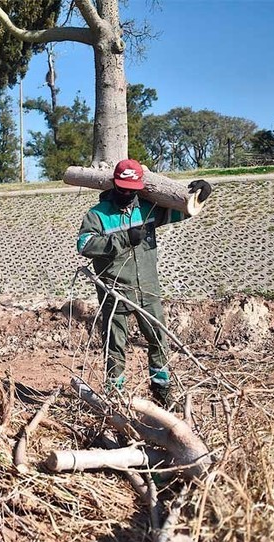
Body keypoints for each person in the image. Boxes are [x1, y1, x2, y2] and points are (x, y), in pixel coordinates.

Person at [75, 159, 212, 408]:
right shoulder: (98, 214)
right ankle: (115, 396)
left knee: (158, 339)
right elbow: (84, 245)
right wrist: (122, 239)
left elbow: (181, 211)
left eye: (132, 190)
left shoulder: (148, 209)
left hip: (148, 289)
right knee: (115, 345)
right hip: (115, 290)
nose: (127, 194)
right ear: (115, 184)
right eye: (123, 189)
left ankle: (161, 390)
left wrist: (201, 195)